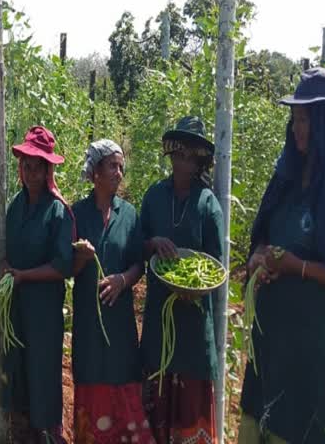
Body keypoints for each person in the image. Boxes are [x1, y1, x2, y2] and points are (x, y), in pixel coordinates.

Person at [239, 68, 325, 444]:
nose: (298, 129)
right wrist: (258, 258)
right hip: (271, 342)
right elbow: (265, 235)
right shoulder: (287, 177)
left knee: (300, 429)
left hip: (311, 349)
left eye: (307, 120)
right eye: (296, 119)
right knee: (259, 422)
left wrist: (296, 266)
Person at [139, 116, 224, 444]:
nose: (185, 159)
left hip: (192, 322)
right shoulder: (155, 196)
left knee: (190, 409)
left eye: (192, 153)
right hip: (160, 317)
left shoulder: (207, 204)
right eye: (180, 152)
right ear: (172, 154)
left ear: (200, 158)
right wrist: (153, 244)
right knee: (156, 405)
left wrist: (198, 290)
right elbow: (139, 243)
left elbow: (216, 264)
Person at [71, 139, 154, 444]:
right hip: (89, 321)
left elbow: (139, 264)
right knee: (91, 378)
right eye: (112, 166)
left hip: (120, 322)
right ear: (95, 173)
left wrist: (122, 280)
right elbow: (68, 269)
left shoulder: (129, 214)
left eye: (121, 167)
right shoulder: (77, 214)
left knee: (123, 380)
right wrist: (80, 258)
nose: (119, 173)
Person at [0, 125, 74, 444]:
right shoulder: (16, 207)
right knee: (18, 370)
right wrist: (4, 268)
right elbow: (4, 253)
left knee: (43, 371)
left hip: (43, 310)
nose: (30, 171)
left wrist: (24, 276)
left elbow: (63, 266)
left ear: (48, 169)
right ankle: (24, 434)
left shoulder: (57, 211)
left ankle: (47, 435)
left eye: (37, 165)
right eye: (26, 164)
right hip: (16, 308)